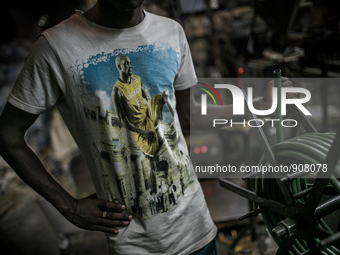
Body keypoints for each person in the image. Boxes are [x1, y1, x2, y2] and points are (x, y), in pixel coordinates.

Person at [0, 0, 292, 254]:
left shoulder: (171, 32)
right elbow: (7, 135)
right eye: (124, 67)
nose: (127, 69)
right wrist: (69, 206)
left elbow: (190, 114)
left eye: (128, 67)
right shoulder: (56, 48)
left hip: (196, 226)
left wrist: (260, 106)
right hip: (135, 243)